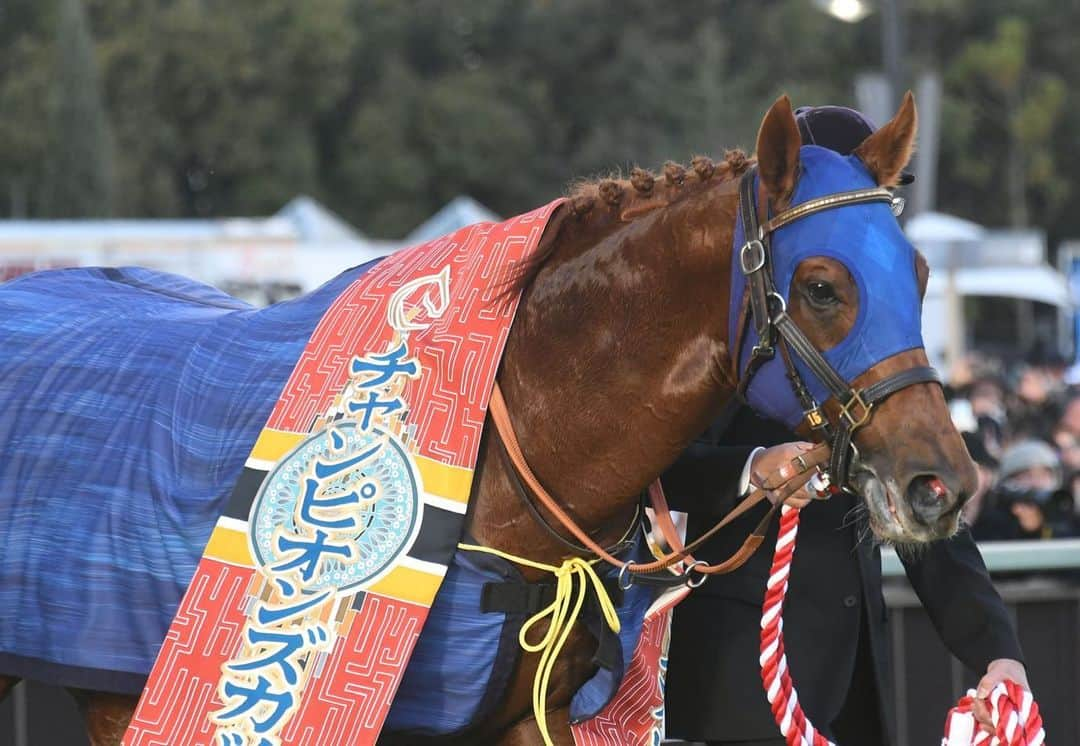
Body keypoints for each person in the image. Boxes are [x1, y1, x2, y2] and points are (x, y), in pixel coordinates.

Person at [662, 105, 1027, 746]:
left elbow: (931, 516)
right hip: (731, 693)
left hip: (855, 687)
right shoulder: (738, 327)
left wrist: (998, 655)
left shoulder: (876, 344)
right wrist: (753, 471)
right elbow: (662, 471)